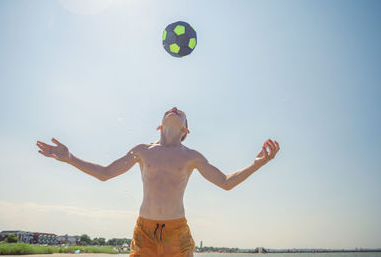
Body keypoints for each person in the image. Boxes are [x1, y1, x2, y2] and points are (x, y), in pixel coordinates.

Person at [36, 106, 280, 257]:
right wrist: (69, 158)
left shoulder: (192, 156)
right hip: (145, 232)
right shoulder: (143, 150)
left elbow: (226, 182)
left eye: (181, 112)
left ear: (186, 130)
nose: (175, 108)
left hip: (178, 233)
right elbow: (105, 173)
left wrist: (258, 163)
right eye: (170, 109)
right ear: (159, 125)